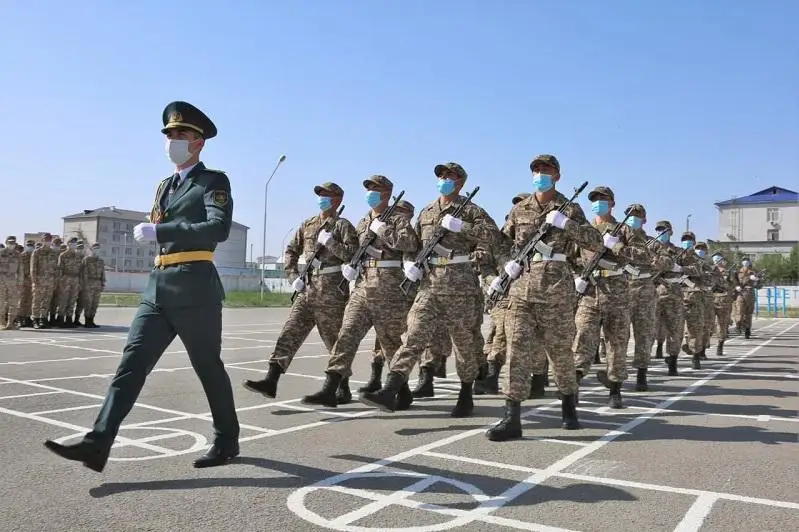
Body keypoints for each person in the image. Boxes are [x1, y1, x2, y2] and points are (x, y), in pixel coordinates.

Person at [44, 101, 241, 471]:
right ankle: (97, 444)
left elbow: (218, 229)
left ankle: (227, 440)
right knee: (130, 366)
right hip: (157, 288)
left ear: (199, 143)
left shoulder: (213, 181)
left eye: (181, 135)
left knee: (207, 367)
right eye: (169, 134)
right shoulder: (165, 185)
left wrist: (161, 230)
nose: (173, 141)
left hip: (194, 287)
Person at [360, 162, 501, 417]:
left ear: (460, 182)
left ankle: (466, 393)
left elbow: (495, 236)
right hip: (429, 286)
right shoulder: (426, 212)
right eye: (441, 175)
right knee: (412, 337)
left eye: (450, 176)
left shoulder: (471, 210)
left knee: (464, 344)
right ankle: (390, 389)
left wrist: (464, 227)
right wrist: (409, 263)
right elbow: (412, 244)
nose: (444, 179)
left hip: (461, 288)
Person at [485, 154, 602, 440]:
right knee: (516, 351)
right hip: (521, 289)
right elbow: (500, 243)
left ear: (557, 175)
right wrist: (505, 264)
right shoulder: (520, 209)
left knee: (560, 352)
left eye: (546, 169)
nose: (540, 173)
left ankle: (568, 408)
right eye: (536, 169)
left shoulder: (569, 208)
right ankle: (511, 417)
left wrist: (566, 224)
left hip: (556, 291)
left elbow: (595, 242)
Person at [302, 175, 420, 407]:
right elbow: (354, 250)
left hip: (388, 289)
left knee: (389, 343)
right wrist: (351, 266)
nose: (371, 193)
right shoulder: (364, 221)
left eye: (376, 189)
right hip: (363, 286)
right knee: (347, 335)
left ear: (387, 193)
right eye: (369, 189)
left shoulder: (397, 219)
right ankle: (330, 388)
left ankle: (402, 391)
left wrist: (384, 231)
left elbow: (409, 244)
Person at [243, 182, 359, 401]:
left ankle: (342, 387)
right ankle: (271, 380)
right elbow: (290, 251)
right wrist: (292, 276)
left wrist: (332, 243)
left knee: (334, 341)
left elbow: (353, 256)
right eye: (320, 194)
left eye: (326, 195)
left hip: (331, 291)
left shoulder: (343, 226)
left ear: (337, 200)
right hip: (307, 287)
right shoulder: (309, 224)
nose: (322, 198)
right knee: (289, 332)